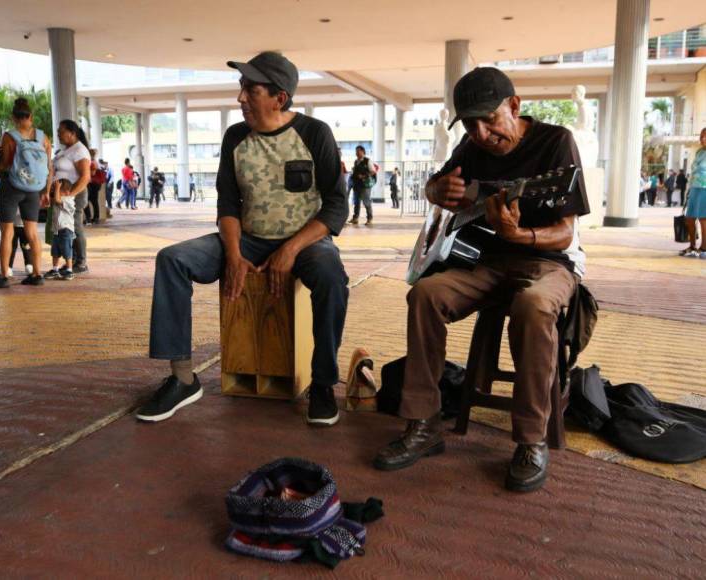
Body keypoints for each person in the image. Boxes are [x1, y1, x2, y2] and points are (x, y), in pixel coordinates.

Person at [373, 67, 590, 493]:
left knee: (531, 306)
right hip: (486, 262)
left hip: (550, 262)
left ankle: (531, 439)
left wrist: (522, 234)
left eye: (489, 119)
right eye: (470, 124)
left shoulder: (555, 142)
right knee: (425, 294)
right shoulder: (471, 145)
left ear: (514, 106)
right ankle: (424, 422)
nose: (480, 132)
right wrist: (435, 191)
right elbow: (441, 184)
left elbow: (566, 230)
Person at [135, 51, 349, 427]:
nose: (241, 98)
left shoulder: (315, 134)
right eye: (241, 88)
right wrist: (233, 254)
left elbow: (335, 206)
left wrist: (291, 248)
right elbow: (228, 203)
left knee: (332, 276)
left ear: (279, 98)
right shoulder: (236, 137)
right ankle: (183, 378)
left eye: (251, 90)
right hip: (247, 239)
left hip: (306, 243)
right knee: (172, 258)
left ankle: (323, 383)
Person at [0, 98, 52, 288]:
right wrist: (46, 189)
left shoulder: (10, 136)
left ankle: (4, 276)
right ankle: (37, 274)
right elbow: (49, 166)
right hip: (34, 189)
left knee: (7, 232)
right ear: (31, 116)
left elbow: (4, 165)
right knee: (32, 233)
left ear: (13, 117)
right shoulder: (43, 137)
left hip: (12, 187)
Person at [54, 120, 91, 273]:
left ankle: (81, 262)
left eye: (61, 131)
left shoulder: (79, 151)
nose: (58, 134)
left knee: (75, 226)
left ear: (72, 133)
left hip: (75, 195)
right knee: (67, 228)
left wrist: (71, 193)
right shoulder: (67, 150)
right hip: (64, 195)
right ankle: (73, 260)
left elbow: (85, 177)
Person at [679, 128, 706, 258]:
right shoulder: (699, 152)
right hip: (695, 187)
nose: (703, 139)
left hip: (705, 188)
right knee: (690, 218)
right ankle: (692, 246)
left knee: (703, 218)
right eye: (701, 136)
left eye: (705, 136)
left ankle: (704, 248)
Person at [43, 179, 76, 280]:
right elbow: (53, 200)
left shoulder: (68, 200)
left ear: (66, 192)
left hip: (66, 230)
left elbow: (57, 200)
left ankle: (69, 270)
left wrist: (57, 188)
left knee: (67, 251)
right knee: (55, 251)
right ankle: (55, 269)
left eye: (58, 190)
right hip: (56, 230)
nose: (56, 192)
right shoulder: (59, 198)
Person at [350, 145, 376, 226]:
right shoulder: (356, 161)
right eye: (356, 151)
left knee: (366, 202)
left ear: (363, 151)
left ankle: (370, 218)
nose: (356, 153)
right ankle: (355, 218)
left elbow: (373, 171)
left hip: (365, 185)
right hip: (356, 184)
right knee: (356, 202)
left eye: (358, 151)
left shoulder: (367, 161)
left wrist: (364, 176)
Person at [86, 149, 105, 224]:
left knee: (87, 201)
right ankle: (95, 217)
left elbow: (92, 173)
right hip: (96, 184)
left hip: (92, 183)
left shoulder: (92, 162)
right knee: (94, 201)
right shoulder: (95, 161)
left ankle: (90, 217)